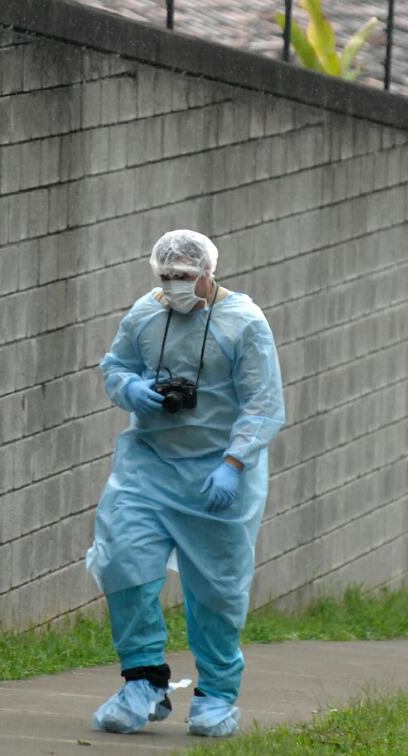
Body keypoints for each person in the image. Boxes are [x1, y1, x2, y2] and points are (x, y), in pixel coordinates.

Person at [86, 230, 285, 737]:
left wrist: (235, 463)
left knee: (217, 589)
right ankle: (144, 679)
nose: (174, 285)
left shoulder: (244, 323)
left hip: (218, 472)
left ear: (208, 273)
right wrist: (130, 387)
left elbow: (263, 403)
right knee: (120, 559)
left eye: (184, 276)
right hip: (149, 464)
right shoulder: (145, 314)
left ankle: (216, 693)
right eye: (166, 275)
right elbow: (115, 366)